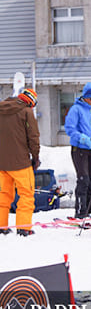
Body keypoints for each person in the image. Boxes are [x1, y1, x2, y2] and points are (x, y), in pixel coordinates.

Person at [0, 89, 40, 236]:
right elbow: (34, 137)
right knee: (26, 194)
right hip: (20, 163)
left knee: (3, 194)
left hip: (2, 164)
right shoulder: (26, 112)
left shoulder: (1, 108)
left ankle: (1, 226)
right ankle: (23, 228)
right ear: (31, 101)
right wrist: (36, 157)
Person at [64, 82, 91, 219]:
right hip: (79, 148)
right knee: (83, 179)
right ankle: (81, 211)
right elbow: (70, 129)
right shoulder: (76, 109)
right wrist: (84, 139)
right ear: (85, 97)